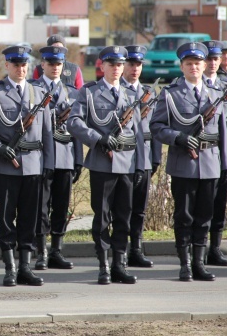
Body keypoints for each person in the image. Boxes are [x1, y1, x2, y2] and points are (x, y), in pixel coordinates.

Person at [0, 45, 54, 287]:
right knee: (6, 219)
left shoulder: (38, 92)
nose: (20, 68)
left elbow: (47, 131)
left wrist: (49, 163)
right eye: (15, 64)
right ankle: (10, 268)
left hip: (34, 164)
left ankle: (25, 266)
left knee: (29, 217)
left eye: (24, 64)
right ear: (7, 65)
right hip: (6, 166)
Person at [150, 42, 227, 282]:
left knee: (205, 216)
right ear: (182, 66)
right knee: (184, 216)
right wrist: (178, 137)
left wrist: (226, 163)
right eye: (189, 64)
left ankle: (199, 263)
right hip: (183, 163)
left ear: (204, 65)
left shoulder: (215, 93)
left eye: (198, 63)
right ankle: (185, 264)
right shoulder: (171, 93)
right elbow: (156, 126)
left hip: (210, 163)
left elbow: (223, 132)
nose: (194, 67)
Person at [67, 46, 145, 285]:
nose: (116, 69)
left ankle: (119, 264)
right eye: (112, 65)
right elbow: (74, 122)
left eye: (120, 65)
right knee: (102, 217)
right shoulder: (89, 92)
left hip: (127, 163)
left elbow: (139, 133)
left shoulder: (131, 95)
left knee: (124, 216)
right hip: (102, 163)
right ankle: (103, 265)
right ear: (102, 66)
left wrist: (141, 165)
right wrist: (98, 138)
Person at [30, 46, 82, 271]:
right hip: (41, 157)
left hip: (65, 157)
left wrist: (78, 159)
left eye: (58, 64)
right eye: (50, 63)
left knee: (61, 206)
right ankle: (41, 252)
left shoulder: (72, 92)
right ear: (43, 65)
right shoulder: (32, 90)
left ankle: (56, 251)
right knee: (41, 205)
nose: (54, 67)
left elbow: (78, 128)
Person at [120, 45, 162, 268]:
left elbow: (154, 127)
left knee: (139, 208)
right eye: (130, 64)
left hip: (144, 156)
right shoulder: (118, 90)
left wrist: (156, 157)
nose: (135, 69)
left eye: (138, 64)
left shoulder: (149, 92)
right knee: (122, 206)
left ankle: (136, 249)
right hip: (124, 157)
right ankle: (120, 251)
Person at [200, 40, 227, 267]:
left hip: (222, 155)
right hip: (200, 153)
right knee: (201, 206)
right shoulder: (192, 85)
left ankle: (215, 248)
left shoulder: (226, 87)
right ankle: (199, 250)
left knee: (219, 204)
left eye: (216, 59)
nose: (213, 63)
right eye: (209, 59)